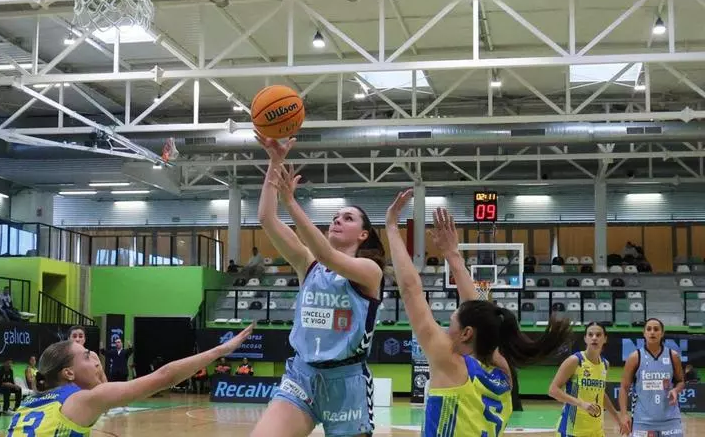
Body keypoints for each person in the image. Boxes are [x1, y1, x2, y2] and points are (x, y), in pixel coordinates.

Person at [386, 196, 572, 436]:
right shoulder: (503, 371)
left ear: (466, 333)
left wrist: (392, 227)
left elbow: (411, 290)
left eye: (451, 322)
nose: (445, 329)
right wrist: (452, 255)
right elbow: (480, 311)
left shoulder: (450, 363)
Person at [251, 136, 385, 437]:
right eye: (335, 217)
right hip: (302, 375)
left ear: (363, 235)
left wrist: (291, 202)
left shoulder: (369, 270)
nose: (337, 220)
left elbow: (327, 255)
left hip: (347, 381)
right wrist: (275, 162)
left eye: (347, 218)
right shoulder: (307, 263)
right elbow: (266, 218)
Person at [10, 325, 253, 436]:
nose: (95, 361)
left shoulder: (27, 405)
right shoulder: (81, 401)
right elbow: (165, 377)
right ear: (69, 373)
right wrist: (220, 350)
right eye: (87, 356)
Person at [549, 322, 629, 436]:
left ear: (605, 339)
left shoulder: (605, 364)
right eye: (590, 335)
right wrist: (581, 404)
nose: (594, 338)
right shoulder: (575, 360)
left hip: (596, 430)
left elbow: (601, 394)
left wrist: (617, 418)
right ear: (585, 339)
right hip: (572, 430)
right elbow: (553, 390)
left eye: (598, 335)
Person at [620, 318, 684, 436]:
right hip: (642, 421)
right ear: (644, 333)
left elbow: (681, 381)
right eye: (649, 329)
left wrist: (675, 390)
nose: (652, 332)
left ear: (662, 333)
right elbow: (624, 387)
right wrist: (624, 414)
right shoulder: (634, 357)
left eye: (656, 329)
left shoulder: (673, 356)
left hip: (671, 420)